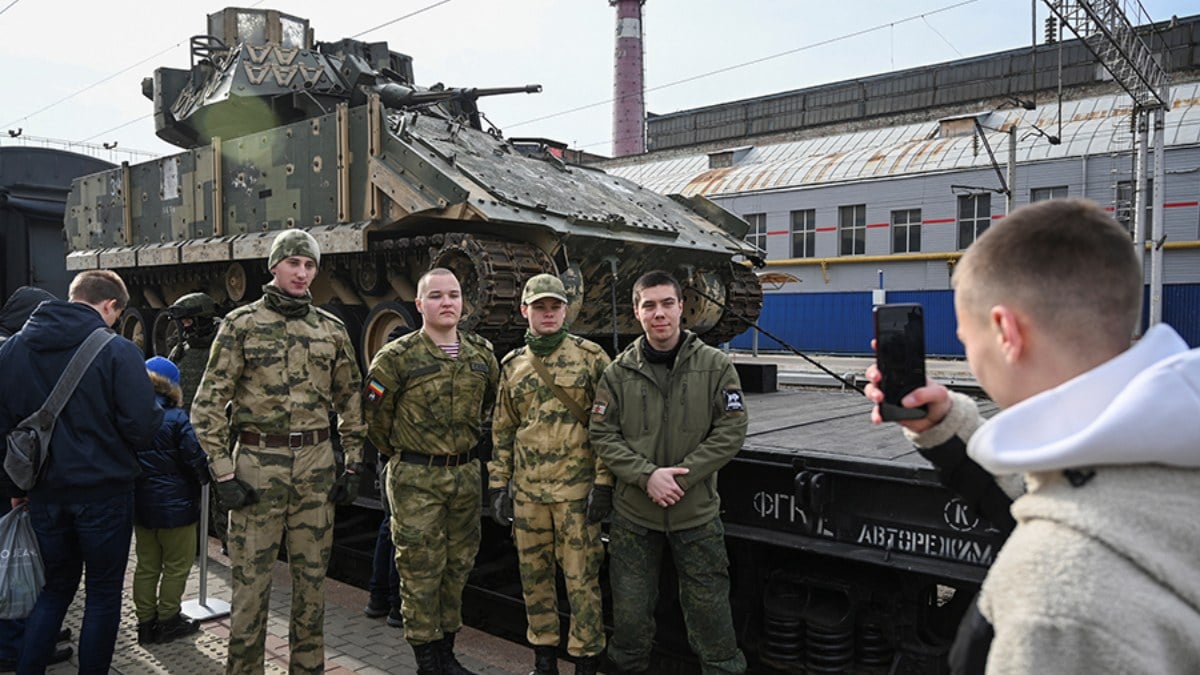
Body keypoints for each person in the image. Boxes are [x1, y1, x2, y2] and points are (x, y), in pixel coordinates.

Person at [864, 198, 1200, 673]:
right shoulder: (1169, 451)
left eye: (966, 339)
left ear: (1005, 331)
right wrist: (942, 426)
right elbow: (1073, 498)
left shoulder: (1055, 598)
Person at [189, 229, 366, 675]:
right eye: (294, 263)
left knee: (312, 588)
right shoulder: (241, 325)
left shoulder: (331, 329)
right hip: (255, 469)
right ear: (274, 267)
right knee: (250, 588)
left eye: (309, 266)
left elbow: (351, 400)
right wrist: (224, 475)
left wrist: (353, 462)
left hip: (315, 466)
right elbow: (206, 407)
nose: (302, 273)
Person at [0, 270, 162, 674]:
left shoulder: (13, 349)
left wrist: (14, 486)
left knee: (54, 590)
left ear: (74, 296)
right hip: (104, 494)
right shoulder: (118, 351)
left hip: (44, 494)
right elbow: (143, 428)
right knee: (104, 595)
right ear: (110, 306)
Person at [589, 270, 749, 675]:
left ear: (682, 308)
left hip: (695, 513)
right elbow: (602, 434)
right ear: (637, 312)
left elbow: (732, 430)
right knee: (629, 615)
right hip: (634, 516)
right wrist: (647, 476)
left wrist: (681, 476)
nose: (659, 313)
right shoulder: (618, 373)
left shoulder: (715, 366)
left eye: (667, 304)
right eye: (649, 305)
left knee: (711, 616)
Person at [364, 268, 499, 675]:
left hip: (464, 477)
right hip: (415, 479)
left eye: (454, 295)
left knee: (457, 568)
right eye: (436, 296)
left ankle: (447, 655)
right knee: (420, 573)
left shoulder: (481, 355)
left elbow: (489, 406)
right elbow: (374, 420)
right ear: (419, 304)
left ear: (463, 302)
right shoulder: (397, 357)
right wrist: (405, 455)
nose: (447, 303)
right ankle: (427, 662)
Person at [487, 274, 612, 675]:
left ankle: (586, 659)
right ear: (525, 311)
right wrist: (498, 485)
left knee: (581, 581)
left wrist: (604, 482)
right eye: (539, 307)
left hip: (576, 495)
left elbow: (610, 427)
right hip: (528, 496)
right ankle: (543, 659)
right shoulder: (514, 365)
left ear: (566, 310)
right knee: (534, 579)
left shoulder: (591, 358)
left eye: (554, 306)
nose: (548, 314)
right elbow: (503, 429)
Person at [0, 287, 73, 671]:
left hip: (12, 476)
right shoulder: (8, 353)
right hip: (8, 478)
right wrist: (16, 487)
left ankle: (35, 628)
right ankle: (14, 645)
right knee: (13, 558)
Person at [133, 356, 211, 645]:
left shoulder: (129, 413)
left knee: (146, 566)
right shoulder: (177, 418)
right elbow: (195, 458)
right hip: (176, 507)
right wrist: (206, 475)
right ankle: (168, 621)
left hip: (140, 505)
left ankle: (144, 624)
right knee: (177, 565)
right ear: (172, 386)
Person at [363, 325, 411, 628]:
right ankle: (393, 604)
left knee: (388, 526)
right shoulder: (386, 369)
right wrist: (390, 448)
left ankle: (379, 597)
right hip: (395, 457)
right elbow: (371, 412)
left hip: (389, 454)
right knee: (397, 529)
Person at [165, 291, 219, 412]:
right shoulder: (180, 351)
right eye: (182, 323)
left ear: (203, 319)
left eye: (188, 322)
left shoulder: (224, 349)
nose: (185, 327)